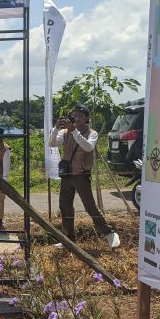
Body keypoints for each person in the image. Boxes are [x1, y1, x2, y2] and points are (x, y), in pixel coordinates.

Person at [48, 105, 120, 248]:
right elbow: (52, 143)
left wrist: (74, 132)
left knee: (90, 207)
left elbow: (88, 147)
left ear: (87, 118)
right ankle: (69, 239)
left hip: (81, 175)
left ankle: (109, 233)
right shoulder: (65, 131)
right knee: (65, 206)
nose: (77, 118)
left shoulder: (92, 133)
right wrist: (56, 128)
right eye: (75, 115)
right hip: (67, 175)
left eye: (80, 116)